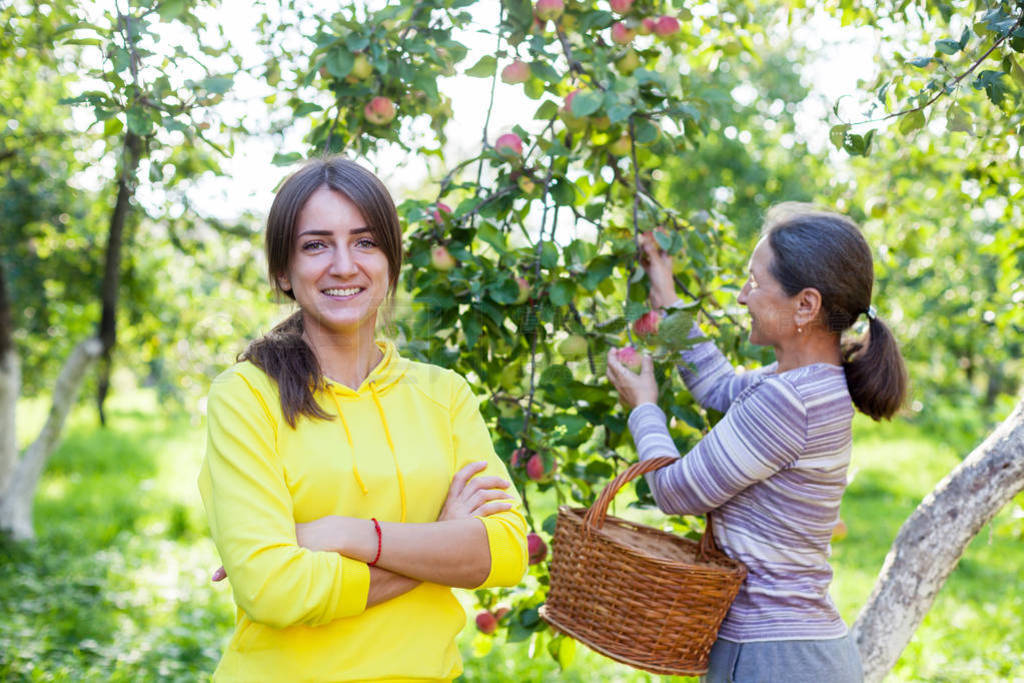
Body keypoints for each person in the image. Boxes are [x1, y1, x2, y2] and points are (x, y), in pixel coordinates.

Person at [198, 157, 528, 682]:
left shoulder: (444, 394)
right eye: (316, 244)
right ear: (283, 271)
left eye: (365, 242)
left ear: (391, 262)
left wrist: (343, 535)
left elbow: (507, 551)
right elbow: (273, 589)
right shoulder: (246, 397)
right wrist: (440, 539)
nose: (344, 265)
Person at [606, 203, 907, 683]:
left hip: (774, 658)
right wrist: (664, 292)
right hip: (796, 650)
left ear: (805, 305)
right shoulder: (811, 384)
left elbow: (673, 491)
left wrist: (644, 407)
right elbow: (716, 383)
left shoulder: (790, 401)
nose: (743, 297)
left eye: (754, 282)